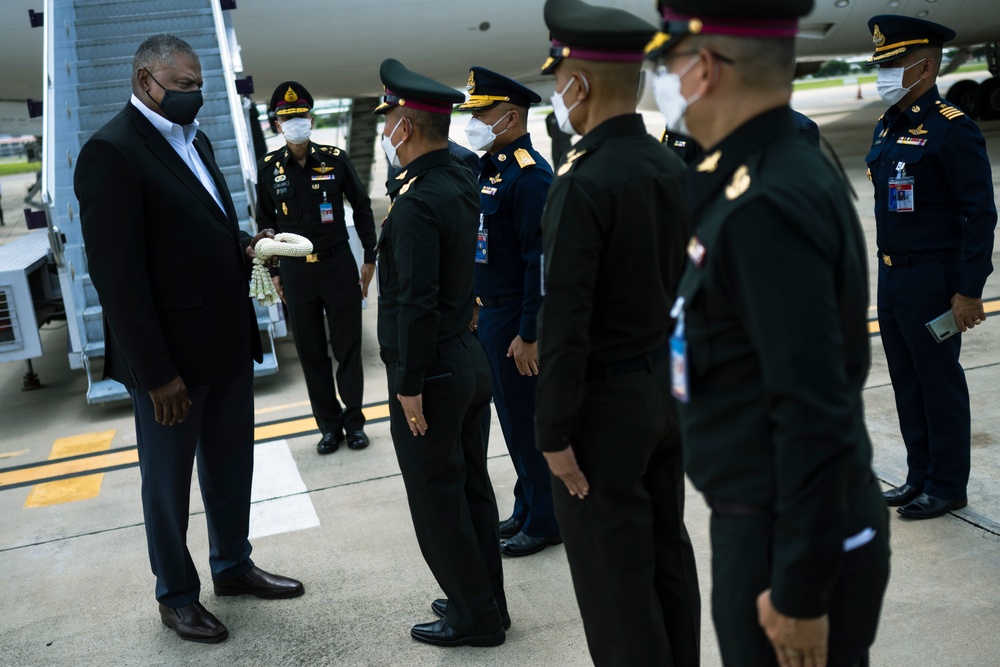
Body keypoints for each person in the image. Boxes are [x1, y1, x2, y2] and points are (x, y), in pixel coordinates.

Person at [647, 1, 892, 665]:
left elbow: (813, 412)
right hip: (774, 525)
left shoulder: (764, 206)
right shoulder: (763, 169)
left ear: (703, 68)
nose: (659, 80)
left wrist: (801, 592)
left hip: (785, 543)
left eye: (664, 63)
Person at [74, 34, 303, 645]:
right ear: (146, 81)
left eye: (198, 84)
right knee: (168, 485)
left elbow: (203, 229)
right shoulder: (111, 152)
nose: (194, 96)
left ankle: (232, 566)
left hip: (226, 343)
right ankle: (175, 595)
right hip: (170, 364)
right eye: (181, 86)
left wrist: (247, 246)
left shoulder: (195, 140)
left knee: (232, 466)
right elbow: (117, 278)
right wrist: (155, 374)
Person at [534, 1, 701, 664]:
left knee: (614, 582)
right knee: (666, 556)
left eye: (562, 78)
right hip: (663, 390)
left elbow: (565, 320)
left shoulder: (582, 182)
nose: (559, 93)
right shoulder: (670, 165)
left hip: (602, 410)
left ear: (580, 84)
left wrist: (553, 434)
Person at [373, 57, 507, 648]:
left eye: (388, 120)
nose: (383, 130)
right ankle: (486, 602)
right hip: (467, 358)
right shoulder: (458, 181)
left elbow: (415, 303)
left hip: (433, 371)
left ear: (405, 125)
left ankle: (474, 619)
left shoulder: (417, 201)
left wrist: (408, 385)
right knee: (471, 489)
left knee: (436, 502)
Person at [864, 15, 996, 520]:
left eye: (894, 62)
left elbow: (979, 214)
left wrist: (968, 289)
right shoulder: (887, 124)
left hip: (934, 280)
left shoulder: (951, 128)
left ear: (925, 65)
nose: (886, 71)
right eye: (882, 63)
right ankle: (919, 476)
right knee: (906, 381)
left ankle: (946, 485)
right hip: (893, 276)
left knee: (938, 383)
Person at [457, 66, 560, 557]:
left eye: (482, 112)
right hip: (494, 315)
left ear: (511, 116)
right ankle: (527, 505)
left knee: (528, 421)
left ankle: (545, 520)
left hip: (518, 320)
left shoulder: (530, 175)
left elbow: (540, 263)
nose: (473, 121)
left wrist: (530, 332)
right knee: (513, 422)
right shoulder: (492, 168)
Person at [256, 81, 376, 455]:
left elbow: (362, 206)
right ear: (278, 124)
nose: (295, 123)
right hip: (296, 273)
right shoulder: (270, 169)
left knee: (348, 348)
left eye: (300, 116)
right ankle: (329, 426)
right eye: (287, 118)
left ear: (311, 118)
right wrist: (274, 271)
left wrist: (369, 257)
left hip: (338, 265)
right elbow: (265, 224)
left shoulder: (335, 158)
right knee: (311, 353)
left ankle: (354, 422)